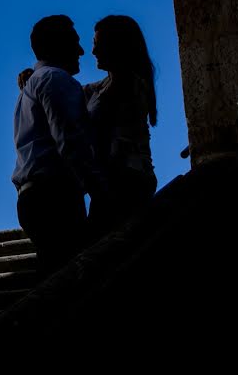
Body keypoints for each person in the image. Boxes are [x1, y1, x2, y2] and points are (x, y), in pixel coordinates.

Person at [12, 15, 101, 274]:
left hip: (33, 198)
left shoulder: (35, 83)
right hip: (54, 198)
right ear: (58, 45)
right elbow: (71, 141)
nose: (82, 50)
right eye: (75, 42)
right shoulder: (55, 79)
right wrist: (99, 190)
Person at [84, 15, 158, 238]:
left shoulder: (126, 86)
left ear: (116, 46)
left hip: (124, 182)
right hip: (126, 178)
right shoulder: (107, 86)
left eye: (98, 45)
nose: (93, 51)